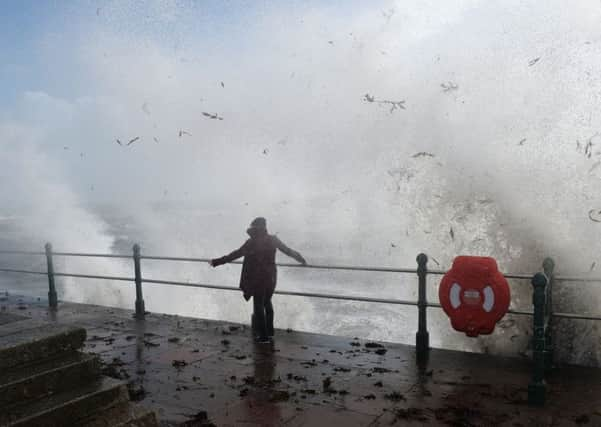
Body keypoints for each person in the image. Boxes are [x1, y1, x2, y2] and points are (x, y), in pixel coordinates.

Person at [209, 217, 307, 343]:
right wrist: (301, 259)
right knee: (267, 302)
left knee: (258, 305)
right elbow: (288, 251)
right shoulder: (273, 240)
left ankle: (263, 337)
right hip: (271, 276)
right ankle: (270, 332)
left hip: (257, 277)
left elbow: (235, 255)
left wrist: (216, 262)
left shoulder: (251, 242)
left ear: (254, 228)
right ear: (264, 227)